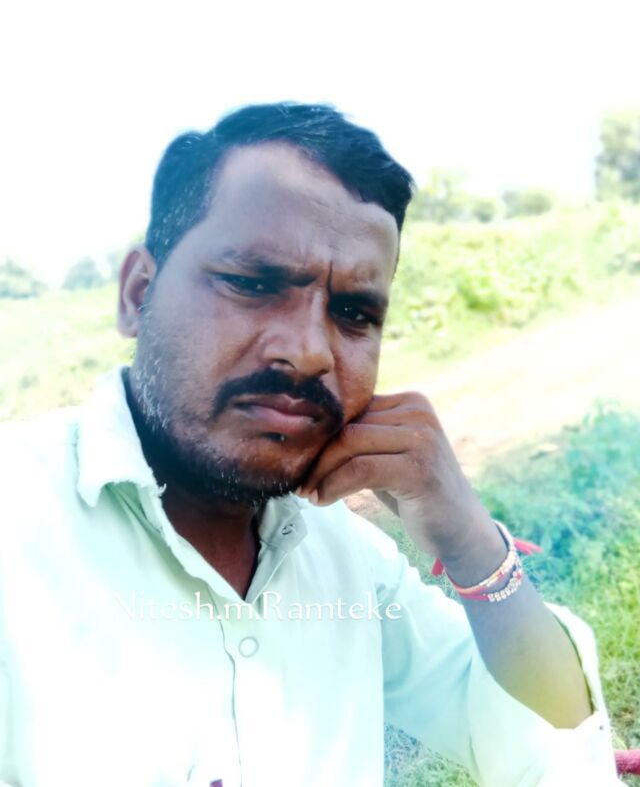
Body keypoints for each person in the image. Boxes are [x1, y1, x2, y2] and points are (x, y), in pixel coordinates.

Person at [0, 103, 621, 786]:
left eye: (354, 312)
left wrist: (471, 540)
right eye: (253, 284)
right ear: (137, 294)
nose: (309, 352)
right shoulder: (17, 521)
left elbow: (551, 736)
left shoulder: (342, 555)